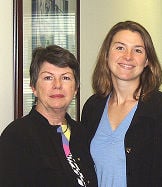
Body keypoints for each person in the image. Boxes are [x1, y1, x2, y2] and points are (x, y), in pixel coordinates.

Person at [81, 20, 162, 187]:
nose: (128, 56)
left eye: (137, 50)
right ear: (107, 54)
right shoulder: (92, 107)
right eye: (120, 47)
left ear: (147, 61)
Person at [0, 45, 97, 186]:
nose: (57, 85)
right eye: (48, 77)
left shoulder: (82, 134)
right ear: (33, 87)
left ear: (75, 89)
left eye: (65, 77)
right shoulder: (17, 136)